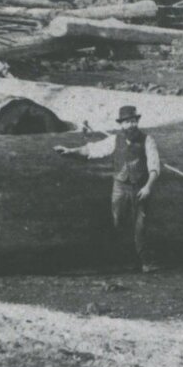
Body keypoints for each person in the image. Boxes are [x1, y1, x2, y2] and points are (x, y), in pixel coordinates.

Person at [56, 105, 164, 271]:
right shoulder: (115, 140)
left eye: (134, 121)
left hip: (140, 187)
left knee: (141, 226)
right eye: (127, 122)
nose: (131, 125)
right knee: (117, 222)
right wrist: (69, 151)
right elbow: (92, 150)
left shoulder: (148, 140)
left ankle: (146, 263)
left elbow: (154, 166)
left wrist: (148, 187)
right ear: (121, 125)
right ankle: (120, 261)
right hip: (120, 187)